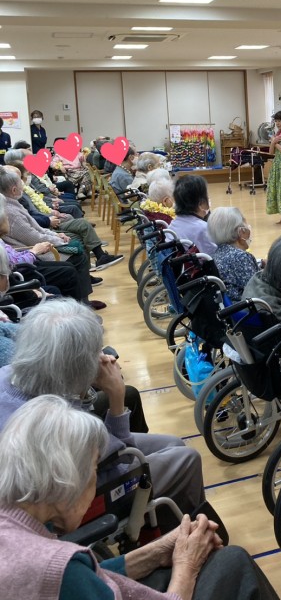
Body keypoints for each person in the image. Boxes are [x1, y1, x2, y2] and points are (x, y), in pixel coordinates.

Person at [0, 395, 281, 600]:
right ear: (68, 480)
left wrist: (156, 552)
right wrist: (187, 564)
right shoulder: (57, 569)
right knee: (233, 562)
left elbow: (91, 576)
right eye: (94, 469)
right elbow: (74, 577)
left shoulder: (18, 526)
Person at [0, 299, 213, 527]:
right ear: (77, 366)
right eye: (96, 353)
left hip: (37, 481)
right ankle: (190, 532)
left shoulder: (8, 373)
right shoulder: (58, 417)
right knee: (187, 458)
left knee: (173, 444)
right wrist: (116, 395)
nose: (102, 357)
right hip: (73, 493)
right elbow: (122, 459)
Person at [0, 167, 104, 309]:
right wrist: (58, 240)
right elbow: (33, 237)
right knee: (75, 260)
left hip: (34, 249)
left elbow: (36, 227)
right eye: (20, 183)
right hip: (33, 253)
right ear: (13, 190)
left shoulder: (13, 204)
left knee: (75, 252)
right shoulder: (10, 212)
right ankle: (81, 304)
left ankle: (82, 301)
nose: (23, 186)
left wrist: (56, 235)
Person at [10, 162, 122, 271]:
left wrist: (51, 208)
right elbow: (33, 221)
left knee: (71, 214)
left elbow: (38, 202)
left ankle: (94, 255)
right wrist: (49, 219)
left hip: (46, 217)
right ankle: (95, 257)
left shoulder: (21, 194)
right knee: (79, 224)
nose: (25, 178)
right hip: (44, 227)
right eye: (21, 177)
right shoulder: (16, 202)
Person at [208, 207, 260, 302]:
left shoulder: (218, 252)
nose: (248, 228)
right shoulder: (240, 257)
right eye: (245, 224)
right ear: (240, 231)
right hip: (248, 307)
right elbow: (258, 291)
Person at [169, 175, 216, 255]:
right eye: (207, 195)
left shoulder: (173, 224)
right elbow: (215, 253)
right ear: (201, 204)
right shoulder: (202, 228)